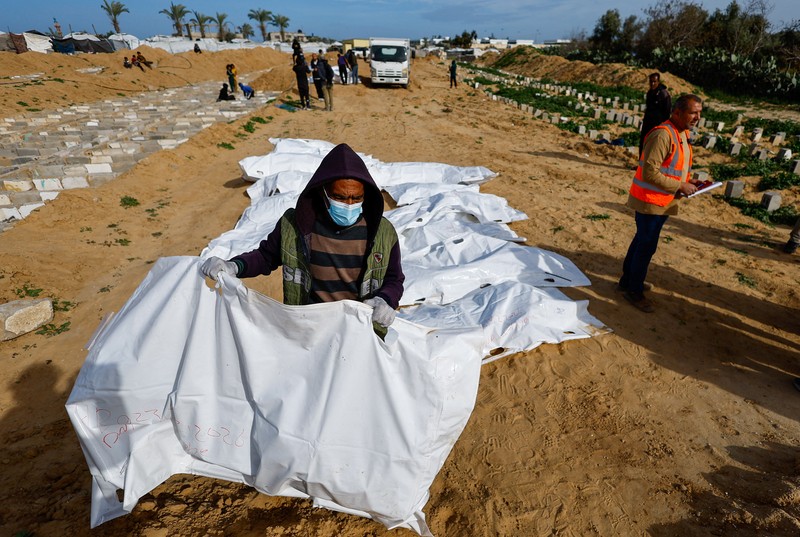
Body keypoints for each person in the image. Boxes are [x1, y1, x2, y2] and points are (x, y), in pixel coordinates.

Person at [200, 143, 405, 336]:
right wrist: (233, 266)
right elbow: (266, 256)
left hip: (359, 331)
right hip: (308, 329)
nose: (349, 204)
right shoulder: (296, 226)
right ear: (323, 192)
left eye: (356, 198)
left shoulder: (382, 234)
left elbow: (394, 278)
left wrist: (385, 299)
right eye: (340, 198)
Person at [618, 94, 704, 313]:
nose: (697, 117)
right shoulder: (662, 135)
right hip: (650, 201)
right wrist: (679, 186)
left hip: (662, 200)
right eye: (693, 112)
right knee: (646, 246)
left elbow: (671, 167)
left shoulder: (681, 133)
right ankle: (634, 290)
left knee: (641, 242)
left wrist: (688, 181)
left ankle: (628, 281)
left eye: (699, 113)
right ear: (677, 112)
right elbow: (649, 172)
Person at [640, 73, 671, 155]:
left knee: (654, 145)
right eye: (651, 82)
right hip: (648, 122)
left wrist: (663, 124)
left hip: (657, 123)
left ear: (658, 82)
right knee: (644, 142)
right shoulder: (650, 93)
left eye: (654, 81)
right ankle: (641, 164)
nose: (652, 84)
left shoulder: (664, 94)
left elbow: (667, 110)